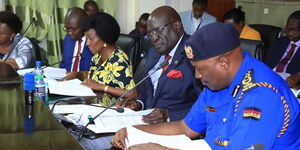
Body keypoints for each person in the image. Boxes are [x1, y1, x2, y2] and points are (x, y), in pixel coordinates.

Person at [112, 23, 300, 150]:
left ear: (223, 62)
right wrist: (134, 131)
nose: (197, 76)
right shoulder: (215, 84)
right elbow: (187, 127)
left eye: (200, 69)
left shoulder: (262, 94)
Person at [138, 6, 201, 122]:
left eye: (158, 30)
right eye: (150, 34)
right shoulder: (154, 51)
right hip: (145, 120)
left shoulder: (194, 52)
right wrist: (139, 103)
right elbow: (147, 88)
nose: (154, 38)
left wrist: (169, 115)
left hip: (176, 126)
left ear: (176, 26)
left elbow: (206, 103)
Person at [79, 12, 137, 106]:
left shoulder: (118, 60)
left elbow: (132, 93)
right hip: (94, 105)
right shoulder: (97, 57)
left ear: (104, 38)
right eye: (86, 38)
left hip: (112, 111)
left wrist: (101, 87)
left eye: (90, 39)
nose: (87, 43)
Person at [264, 11, 300, 89]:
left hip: (289, 84)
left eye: (294, 30)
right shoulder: (279, 42)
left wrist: (298, 75)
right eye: (287, 29)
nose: (290, 33)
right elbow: (266, 64)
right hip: (270, 79)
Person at [59, 7, 93, 72]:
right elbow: (63, 63)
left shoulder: (93, 42)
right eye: (67, 28)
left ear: (84, 25)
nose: (69, 32)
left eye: (73, 29)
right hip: (66, 79)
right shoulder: (68, 38)